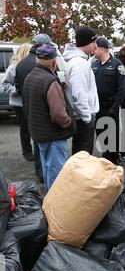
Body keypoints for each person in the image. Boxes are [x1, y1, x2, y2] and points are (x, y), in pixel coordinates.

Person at [22, 44, 74, 191]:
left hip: (39, 133)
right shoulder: (50, 81)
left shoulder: (29, 77)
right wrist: (69, 122)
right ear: (53, 62)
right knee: (56, 172)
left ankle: (50, 199)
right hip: (53, 135)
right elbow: (59, 114)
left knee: (47, 168)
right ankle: (55, 204)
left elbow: (27, 107)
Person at [15, 33, 56, 182]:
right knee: (46, 147)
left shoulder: (20, 64)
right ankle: (45, 175)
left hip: (29, 110)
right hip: (44, 112)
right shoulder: (44, 63)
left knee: (37, 142)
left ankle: (39, 171)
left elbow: (18, 89)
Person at [63, 26, 99, 155]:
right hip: (83, 119)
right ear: (86, 42)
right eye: (93, 42)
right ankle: (79, 176)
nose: (96, 46)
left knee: (80, 155)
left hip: (81, 117)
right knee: (83, 156)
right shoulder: (79, 63)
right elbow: (78, 94)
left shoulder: (80, 61)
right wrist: (87, 118)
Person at [92, 37, 125, 165]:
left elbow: (121, 90)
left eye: (95, 48)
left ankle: (111, 162)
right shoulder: (94, 64)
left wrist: (114, 109)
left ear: (101, 49)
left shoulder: (117, 65)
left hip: (111, 108)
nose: (93, 50)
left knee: (112, 139)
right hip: (98, 108)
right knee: (101, 135)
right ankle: (105, 159)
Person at [2, 43, 32, 161]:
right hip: (18, 103)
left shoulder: (29, 66)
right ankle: (27, 151)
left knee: (32, 126)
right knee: (24, 127)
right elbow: (5, 84)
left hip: (29, 102)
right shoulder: (14, 67)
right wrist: (16, 90)